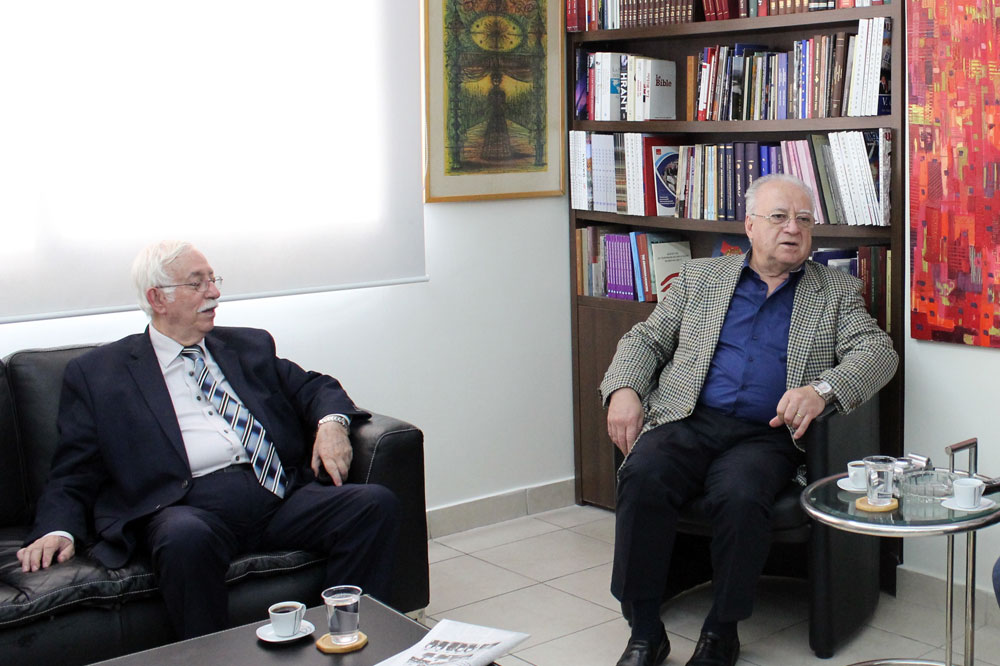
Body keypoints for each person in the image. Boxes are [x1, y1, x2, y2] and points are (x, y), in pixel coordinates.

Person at [16, 240, 400, 639]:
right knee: (184, 538)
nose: (214, 292)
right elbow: (75, 467)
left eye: (213, 280)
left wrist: (333, 424)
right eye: (196, 283)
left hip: (277, 494)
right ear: (158, 299)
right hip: (189, 507)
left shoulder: (248, 346)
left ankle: (347, 643)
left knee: (373, 504)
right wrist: (56, 529)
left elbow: (313, 387)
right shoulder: (100, 373)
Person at [603, 174, 898, 666]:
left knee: (739, 494)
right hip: (689, 418)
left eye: (804, 219)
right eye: (779, 217)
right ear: (750, 226)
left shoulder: (836, 291)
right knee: (643, 475)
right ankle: (645, 629)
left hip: (768, 435)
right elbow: (645, 340)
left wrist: (821, 391)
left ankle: (722, 630)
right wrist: (624, 390)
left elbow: (877, 353)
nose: (793, 228)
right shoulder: (700, 279)